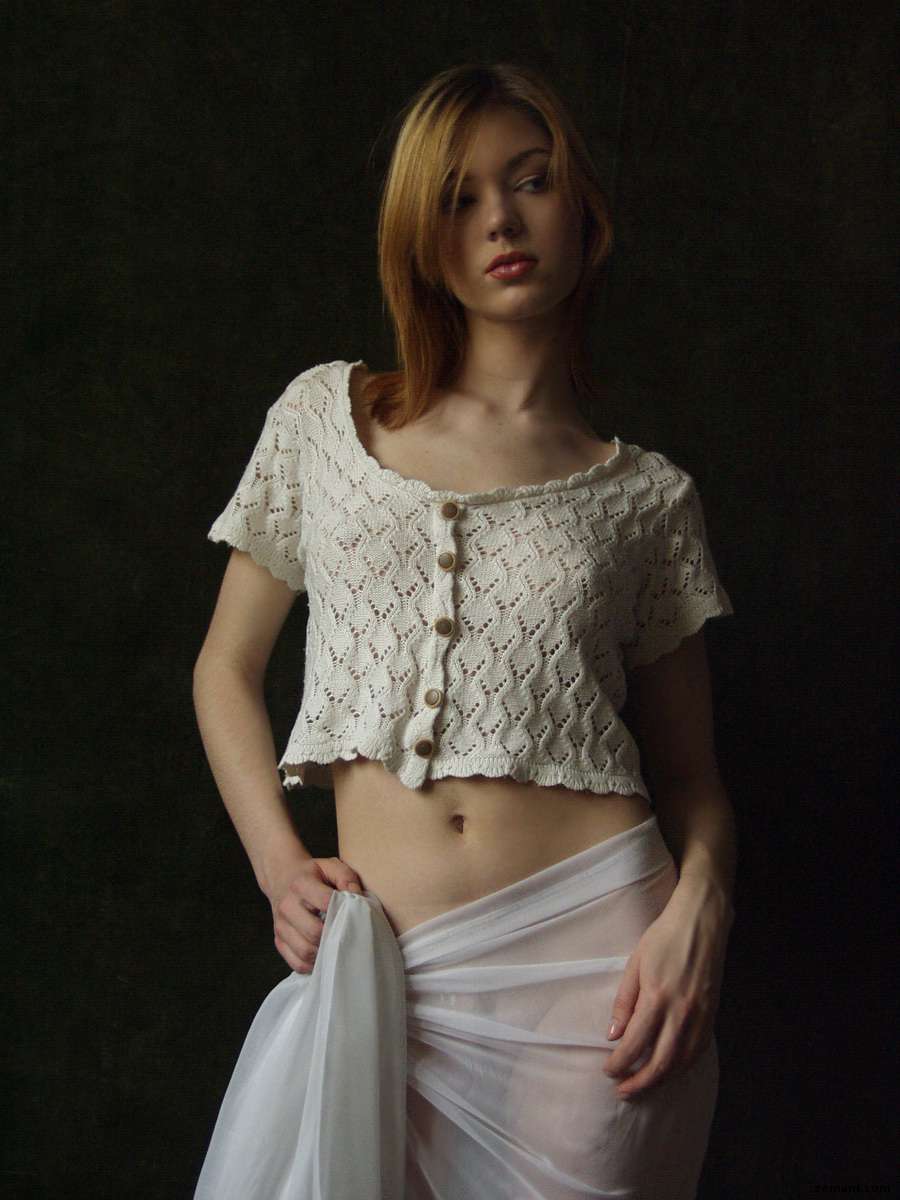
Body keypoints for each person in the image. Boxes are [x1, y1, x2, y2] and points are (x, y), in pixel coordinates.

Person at [192, 61, 737, 1200]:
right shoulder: (324, 420)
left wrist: (702, 910)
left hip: (598, 974)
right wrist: (278, 866)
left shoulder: (647, 500)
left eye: (531, 181)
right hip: (381, 966)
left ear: (584, 212)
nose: (499, 219)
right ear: (418, 234)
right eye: (459, 196)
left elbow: (693, 781)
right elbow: (225, 669)